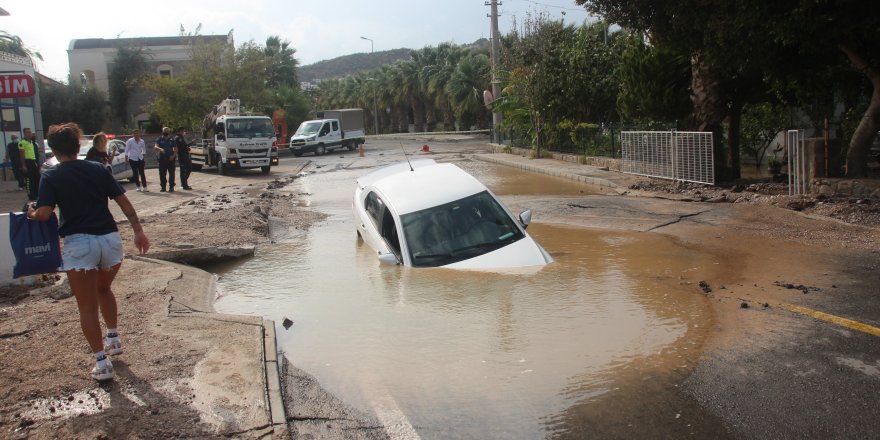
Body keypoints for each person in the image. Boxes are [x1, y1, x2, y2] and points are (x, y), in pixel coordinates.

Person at [27, 122, 150, 382]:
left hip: (79, 244)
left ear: (53, 149)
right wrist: (138, 230)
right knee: (104, 289)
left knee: (87, 306)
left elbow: (45, 213)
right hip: (109, 241)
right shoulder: (97, 169)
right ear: (76, 146)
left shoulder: (51, 175)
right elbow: (124, 203)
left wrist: (32, 212)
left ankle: (102, 363)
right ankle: (114, 339)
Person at [18, 128, 41, 200]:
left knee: (37, 178)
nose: (30, 133)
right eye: (28, 132)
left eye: (30, 132)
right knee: (29, 180)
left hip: (33, 161)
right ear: (24, 133)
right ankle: (31, 196)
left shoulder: (31, 142)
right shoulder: (22, 142)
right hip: (27, 162)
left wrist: (36, 163)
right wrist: (24, 165)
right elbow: (22, 155)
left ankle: (37, 194)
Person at [153, 127, 177, 192]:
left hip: (171, 158)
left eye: (167, 131)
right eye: (164, 131)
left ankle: (171, 186)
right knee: (162, 173)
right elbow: (155, 146)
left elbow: (175, 149)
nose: (166, 132)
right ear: (162, 131)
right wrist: (160, 149)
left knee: (172, 173)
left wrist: (173, 156)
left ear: (169, 132)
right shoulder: (159, 139)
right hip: (162, 159)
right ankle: (163, 187)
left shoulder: (172, 139)